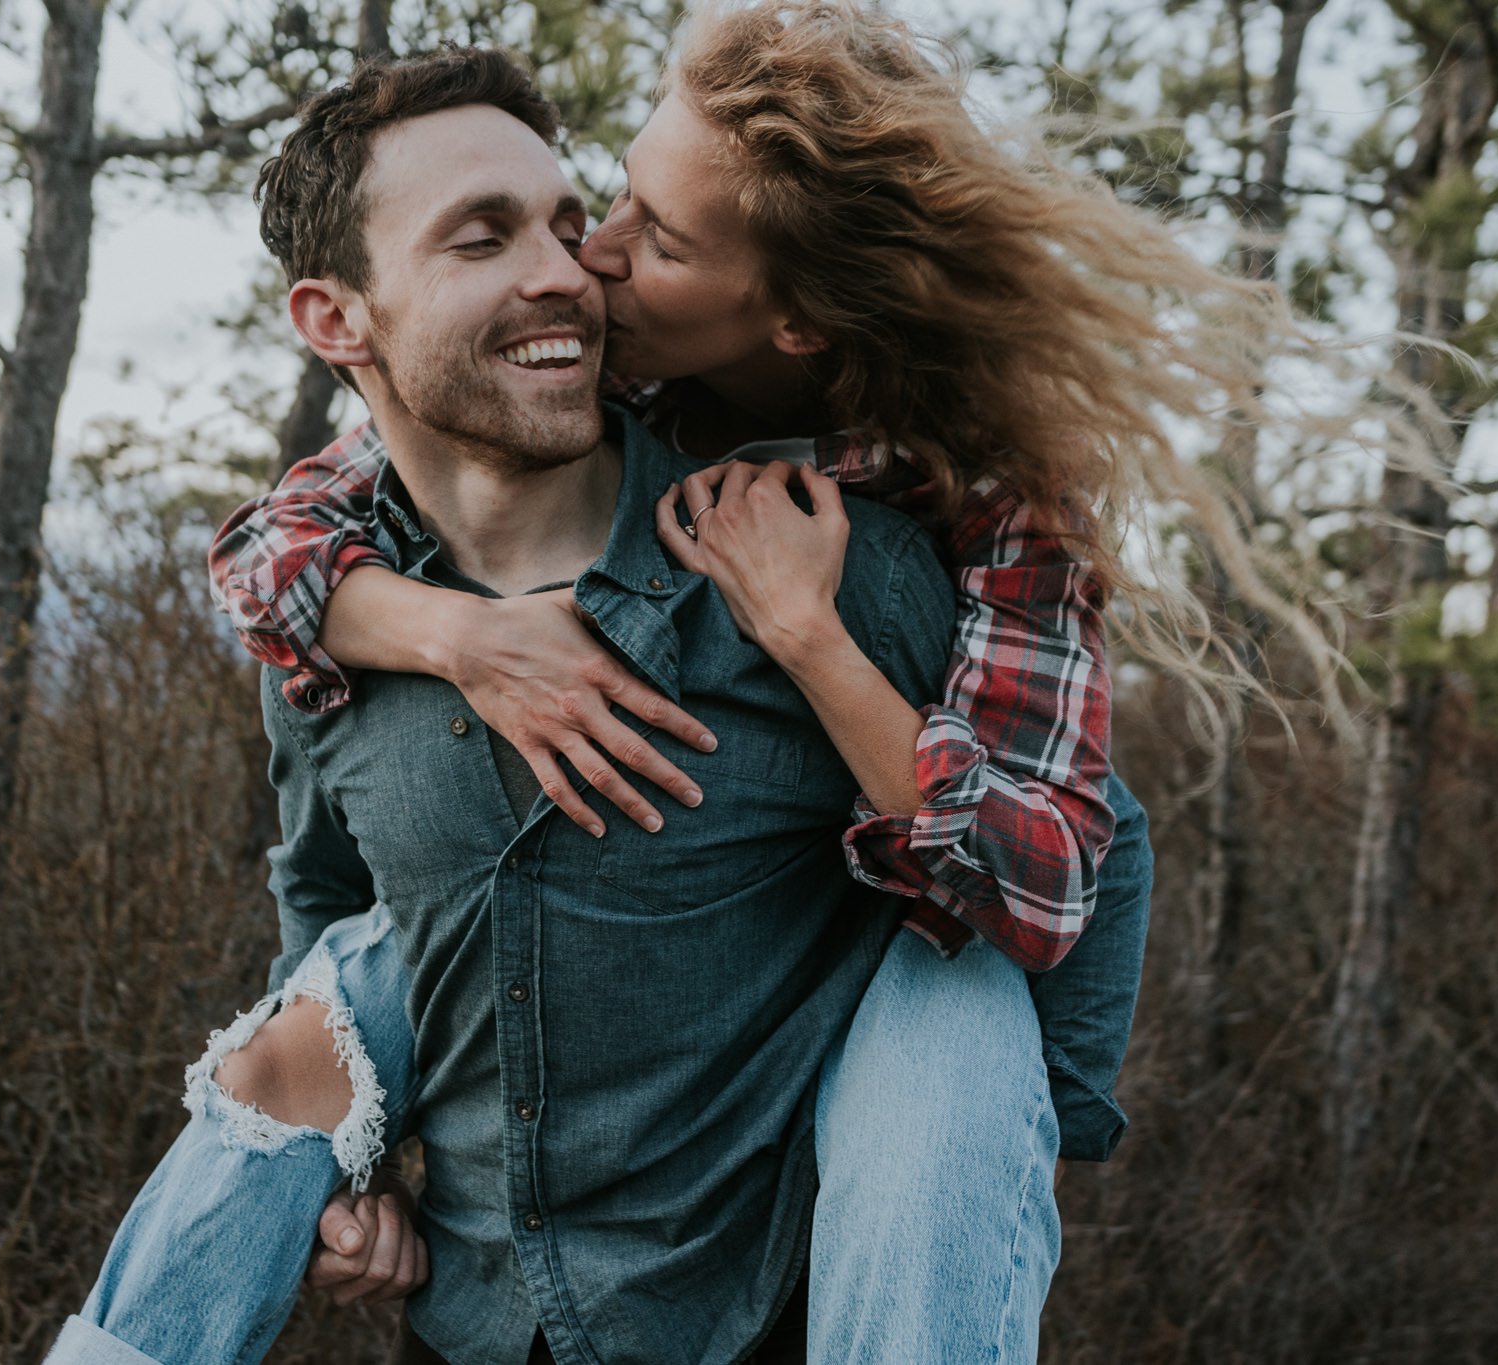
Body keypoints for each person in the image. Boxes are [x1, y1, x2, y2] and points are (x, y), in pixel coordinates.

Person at [211, 0, 1197, 1357]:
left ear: (791, 319)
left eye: (653, 238)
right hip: (501, 1293)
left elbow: (1049, 880)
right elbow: (277, 545)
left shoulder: (964, 517)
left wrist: (805, 633)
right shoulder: (584, 405)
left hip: (964, 970)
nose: (591, 258)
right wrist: (450, 634)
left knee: (964, 1035)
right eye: (613, 197)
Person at [49, 45, 964, 1365]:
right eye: (483, 237)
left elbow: (1035, 863)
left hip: (759, 1319)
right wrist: (357, 1169)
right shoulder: (323, 635)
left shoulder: (823, 565)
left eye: (566, 222)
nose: (564, 271)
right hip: (468, 1325)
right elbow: (329, 906)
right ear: (335, 319)